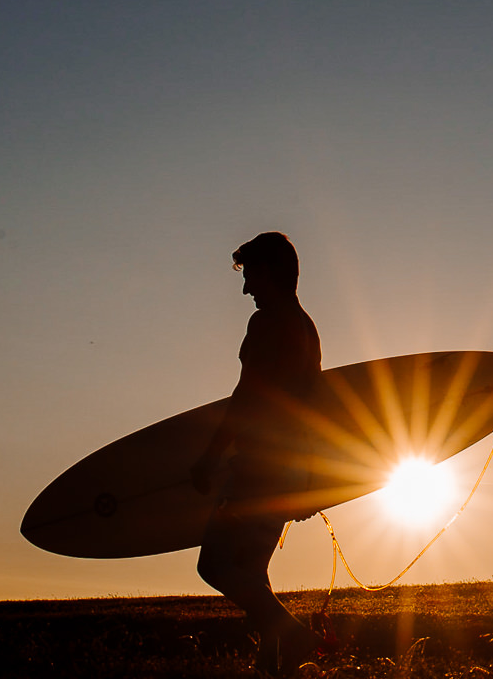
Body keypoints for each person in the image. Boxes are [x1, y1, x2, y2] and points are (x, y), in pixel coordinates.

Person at [189, 232, 324, 675]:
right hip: (289, 469)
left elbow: (248, 395)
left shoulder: (267, 322)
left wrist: (212, 455)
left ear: (269, 272)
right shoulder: (306, 326)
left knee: (215, 565)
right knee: (253, 575)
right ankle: (275, 668)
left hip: (259, 469)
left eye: (249, 276)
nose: (246, 289)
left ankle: (294, 634)